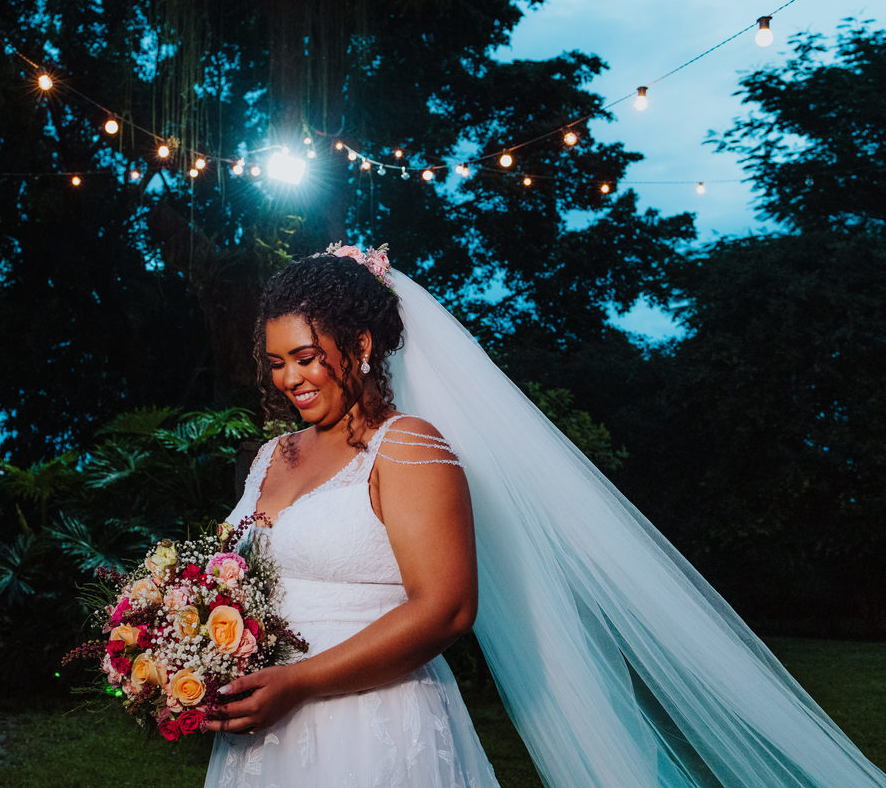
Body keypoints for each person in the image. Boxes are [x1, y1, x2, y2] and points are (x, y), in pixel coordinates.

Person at [203, 243, 886, 788]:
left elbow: (446, 608)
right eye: (276, 364)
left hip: (366, 720)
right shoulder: (272, 456)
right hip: (260, 726)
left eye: (306, 358)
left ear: (359, 348)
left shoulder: (408, 446)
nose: (291, 379)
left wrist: (296, 681)